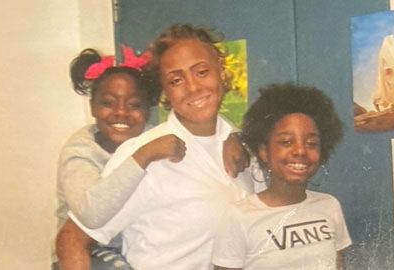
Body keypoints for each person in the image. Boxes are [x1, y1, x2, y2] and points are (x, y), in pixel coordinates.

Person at [57, 24, 259, 270]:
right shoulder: (145, 155)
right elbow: (72, 236)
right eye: (176, 80)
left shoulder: (242, 146)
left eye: (202, 72)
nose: (193, 87)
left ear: (221, 71)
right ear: (165, 91)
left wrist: (236, 136)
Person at [54, 47, 189, 270]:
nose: (121, 112)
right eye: (108, 103)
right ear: (93, 107)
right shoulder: (81, 151)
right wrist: (143, 155)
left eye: (134, 105)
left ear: (147, 111)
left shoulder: (154, 135)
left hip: (134, 243)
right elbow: (91, 214)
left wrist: (233, 138)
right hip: (88, 249)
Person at [212, 83, 352, 270]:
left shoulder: (329, 205)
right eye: (286, 142)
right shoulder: (240, 217)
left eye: (311, 143)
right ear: (263, 152)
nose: (301, 150)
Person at [373, 35, 394, 112]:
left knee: (393, 89)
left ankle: (393, 106)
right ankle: (376, 102)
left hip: (392, 74)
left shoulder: (390, 51)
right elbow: (385, 62)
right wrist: (387, 68)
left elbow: (393, 62)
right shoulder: (385, 51)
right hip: (387, 73)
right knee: (385, 89)